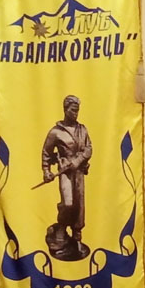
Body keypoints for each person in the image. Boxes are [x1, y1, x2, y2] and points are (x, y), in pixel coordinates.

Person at [41, 95, 93, 260]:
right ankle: (61, 228)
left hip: (78, 172)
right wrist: (46, 171)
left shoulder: (82, 129)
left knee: (79, 206)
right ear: (65, 110)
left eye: (77, 111)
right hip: (65, 172)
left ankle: (77, 238)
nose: (76, 114)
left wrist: (78, 161)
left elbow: (88, 148)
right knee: (68, 203)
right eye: (73, 110)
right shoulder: (56, 132)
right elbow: (46, 152)